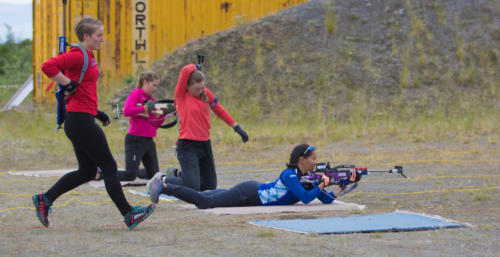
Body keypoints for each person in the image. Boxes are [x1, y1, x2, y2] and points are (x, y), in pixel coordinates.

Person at [33, 16, 155, 230]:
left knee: (88, 172)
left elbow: (82, 91)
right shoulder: (77, 55)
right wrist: (67, 83)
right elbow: (48, 66)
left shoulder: (87, 55)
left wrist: (97, 112)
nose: (102, 39)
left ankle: (45, 199)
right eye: (99, 35)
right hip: (79, 121)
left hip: (81, 117)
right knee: (109, 166)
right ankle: (129, 214)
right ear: (86, 36)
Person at [148, 144, 355, 208]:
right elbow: (306, 198)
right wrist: (323, 183)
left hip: (251, 193)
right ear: (302, 159)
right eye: (312, 159)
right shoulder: (290, 175)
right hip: (248, 193)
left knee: (210, 194)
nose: (314, 163)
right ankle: (164, 186)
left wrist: (341, 187)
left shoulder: (307, 179)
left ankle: (167, 184)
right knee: (205, 202)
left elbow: (325, 200)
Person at [171, 64, 248, 191]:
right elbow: (185, 70)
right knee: (192, 186)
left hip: (204, 144)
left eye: (202, 87)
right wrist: (195, 67)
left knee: (209, 187)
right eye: (196, 89)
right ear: (187, 87)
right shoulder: (181, 95)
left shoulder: (206, 94)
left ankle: (180, 175)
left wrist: (237, 127)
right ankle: (163, 179)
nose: (200, 91)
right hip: (187, 145)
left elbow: (220, 111)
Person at [111, 70, 173, 181]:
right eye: (153, 85)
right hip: (136, 140)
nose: (155, 89)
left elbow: (154, 123)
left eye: (157, 86)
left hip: (149, 140)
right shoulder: (136, 94)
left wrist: (164, 115)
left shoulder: (152, 101)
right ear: (145, 82)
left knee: (154, 176)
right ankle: (101, 174)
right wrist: (144, 108)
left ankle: (137, 171)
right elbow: (127, 111)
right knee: (130, 176)